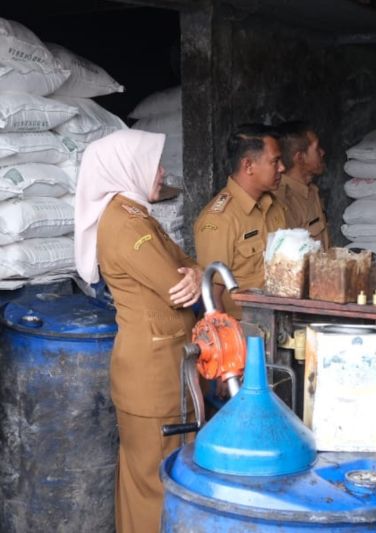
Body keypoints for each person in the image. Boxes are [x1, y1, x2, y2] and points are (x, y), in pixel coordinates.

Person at [74, 129, 202, 533]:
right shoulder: (126, 224)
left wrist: (197, 273)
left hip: (157, 368)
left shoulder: (137, 215)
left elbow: (187, 263)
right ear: (126, 167)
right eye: (153, 161)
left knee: (142, 480)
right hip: (152, 374)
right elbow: (175, 285)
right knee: (155, 485)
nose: (162, 171)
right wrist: (193, 278)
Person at [193, 123, 287, 319]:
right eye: (275, 161)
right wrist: (229, 344)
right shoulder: (219, 219)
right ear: (248, 165)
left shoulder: (274, 205)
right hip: (244, 331)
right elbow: (212, 296)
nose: (282, 168)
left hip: (279, 322)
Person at [274, 120, 330, 249]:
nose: (322, 152)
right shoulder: (284, 201)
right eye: (316, 148)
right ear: (300, 158)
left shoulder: (311, 191)